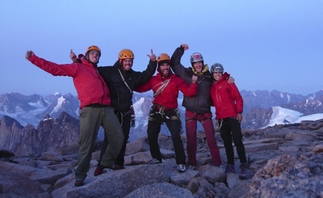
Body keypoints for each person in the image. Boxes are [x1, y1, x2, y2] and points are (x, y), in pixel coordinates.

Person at [26, 46, 124, 187]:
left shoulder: (97, 71)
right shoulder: (78, 68)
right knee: (87, 144)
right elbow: (55, 69)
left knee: (118, 137)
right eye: (93, 53)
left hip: (106, 109)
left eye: (97, 54)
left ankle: (104, 164)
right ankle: (80, 176)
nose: (96, 55)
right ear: (87, 55)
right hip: (90, 109)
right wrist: (33, 58)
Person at [70, 48, 157, 174]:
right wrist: (76, 61)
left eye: (130, 61)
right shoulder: (109, 71)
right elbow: (91, 70)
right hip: (112, 110)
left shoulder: (133, 75)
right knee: (110, 138)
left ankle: (118, 163)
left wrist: (152, 62)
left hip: (126, 111)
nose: (128, 63)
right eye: (126, 60)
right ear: (120, 61)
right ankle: (101, 166)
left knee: (123, 137)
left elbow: (146, 76)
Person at [135, 53, 198, 172]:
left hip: (171, 110)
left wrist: (194, 84)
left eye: (167, 65)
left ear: (170, 66)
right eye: (163, 65)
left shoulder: (176, 80)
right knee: (151, 135)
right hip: (157, 109)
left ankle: (180, 161)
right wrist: (129, 84)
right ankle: (157, 158)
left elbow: (189, 92)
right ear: (159, 67)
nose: (165, 67)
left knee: (175, 136)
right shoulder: (154, 80)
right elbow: (141, 88)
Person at [170, 44, 222, 169]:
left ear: (203, 63)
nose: (198, 65)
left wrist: (228, 77)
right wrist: (180, 49)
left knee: (211, 139)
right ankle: (192, 163)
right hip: (191, 111)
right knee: (191, 141)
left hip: (205, 112)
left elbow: (219, 78)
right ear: (192, 64)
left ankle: (217, 163)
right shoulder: (187, 74)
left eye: (200, 63)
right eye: (195, 63)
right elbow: (175, 64)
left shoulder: (209, 76)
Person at [210, 63, 249, 179]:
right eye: (215, 72)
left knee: (237, 140)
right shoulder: (211, 86)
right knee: (227, 143)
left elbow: (238, 97)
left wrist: (239, 112)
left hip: (232, 116)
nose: (217, 74)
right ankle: (230, 164)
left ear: (222, 73)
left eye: (219, 72)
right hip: (221, 118)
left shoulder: (228, 82)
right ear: (212, 73)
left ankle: (243, 164)